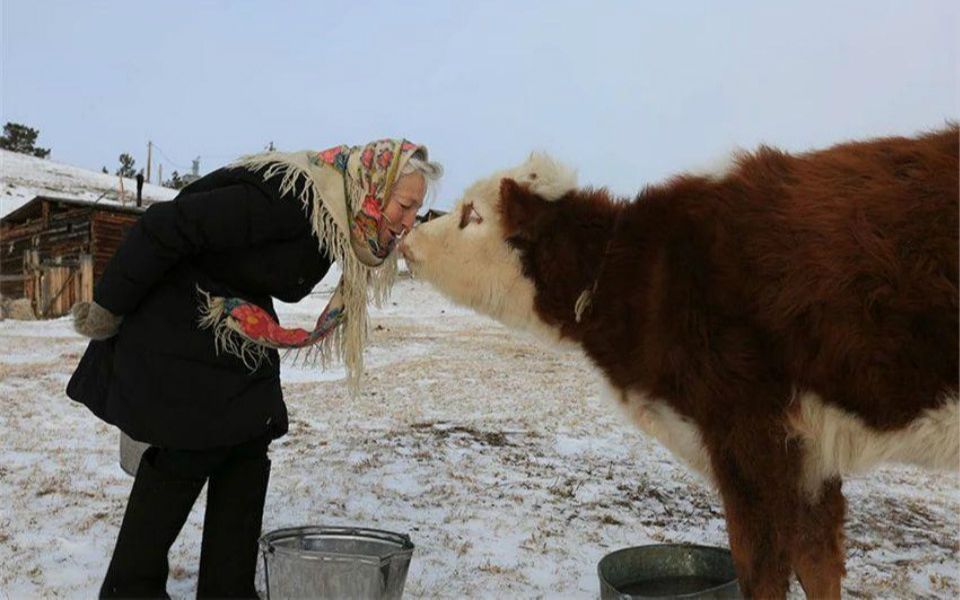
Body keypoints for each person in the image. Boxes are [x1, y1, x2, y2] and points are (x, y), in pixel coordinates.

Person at [67, 139, 442, 598]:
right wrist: (109, 307)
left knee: (248, 445)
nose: (408, 222)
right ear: (375, 185)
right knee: (189, 449)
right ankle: (130, 590)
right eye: (404, 206)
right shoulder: (288, 199)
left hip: (236, 326)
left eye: (416, 210)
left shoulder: (337, 215)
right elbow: (165, 224)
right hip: (183, 318)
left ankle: (228, 590)